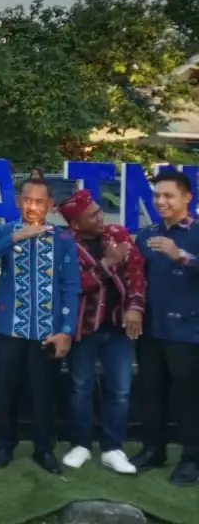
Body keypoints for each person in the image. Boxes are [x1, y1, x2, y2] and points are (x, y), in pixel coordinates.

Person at [0, 178, 80, 473]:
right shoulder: (4, 231)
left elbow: (71, 286)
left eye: (39, 202)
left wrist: (66, 330)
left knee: (43, 393)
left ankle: (43, 449)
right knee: (7, 390)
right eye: (27, 200)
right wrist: (18, 236)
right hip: (10, 329)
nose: (32, 206)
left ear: (50, 206)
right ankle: (4, 444)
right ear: (19, 201)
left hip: (48, 332)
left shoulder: (62, 239)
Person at [57, 188, 144, 475]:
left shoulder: (117, 233)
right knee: (80, 388)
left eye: (98, 209)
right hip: (83, 329)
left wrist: (135, 307)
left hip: (118, 327)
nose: (100, 216)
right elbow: (75, 284)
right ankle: (80, 445)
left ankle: (112, 448)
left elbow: (136, 274)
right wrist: (107, 264)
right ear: (76, 224)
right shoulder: (66, 242)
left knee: (120, 390)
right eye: (92, 214)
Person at [131, 170, 199, 486]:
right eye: (157, 195)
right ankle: (152, 450)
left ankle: (191, 459)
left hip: (188, 332)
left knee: (187, 398)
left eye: (168, 195)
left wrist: (180, 255)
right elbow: (135, 280)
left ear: (187, 197)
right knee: (150, 393)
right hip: (150, 331)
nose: (161, 201)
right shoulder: (146, 235)